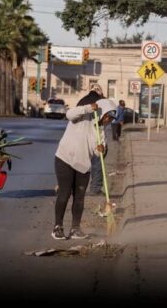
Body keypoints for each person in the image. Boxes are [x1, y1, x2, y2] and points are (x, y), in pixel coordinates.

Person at [52, 98, 117, 240]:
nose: (108, 120)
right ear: (102, 111)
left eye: (111, 119)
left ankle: (75, 229)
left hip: (83, 165)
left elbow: (98, 153)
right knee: (64, 193)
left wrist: (101, 150)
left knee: (79, 197)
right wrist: (88, 108)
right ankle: (58, 227)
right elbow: (69, 114)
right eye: (107, 116)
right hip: (65, 159)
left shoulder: (101, 131)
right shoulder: (83, 115)